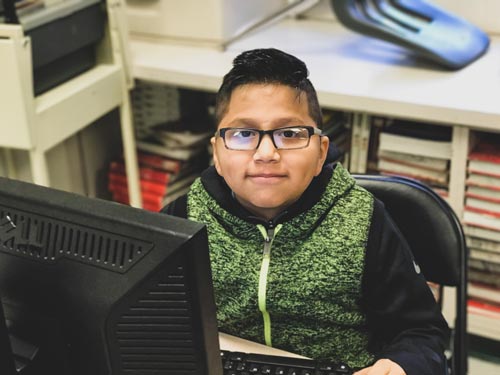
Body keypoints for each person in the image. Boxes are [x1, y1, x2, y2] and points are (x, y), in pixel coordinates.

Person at [161, 48, 449, 375]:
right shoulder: (184, 216)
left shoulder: (364, 221)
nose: (266, 153)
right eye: (243, 134)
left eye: (289, 134)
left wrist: (398, 365)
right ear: (216, 152)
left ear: (320, 152)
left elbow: (423, 332)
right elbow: (156, 317)